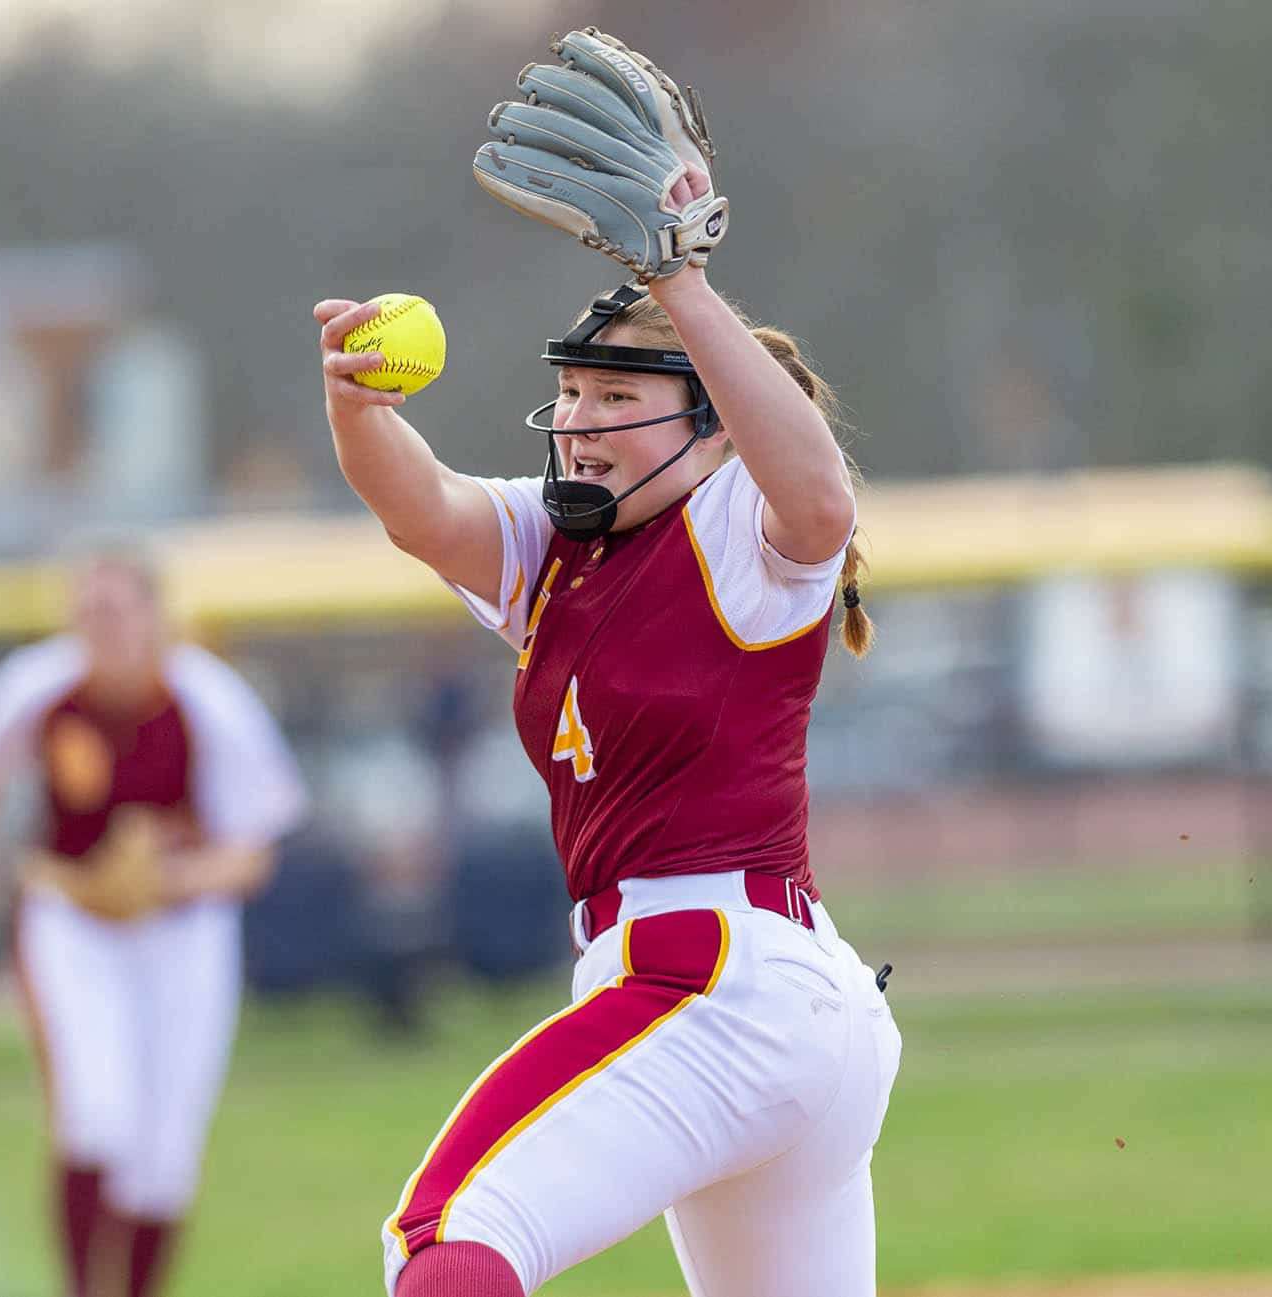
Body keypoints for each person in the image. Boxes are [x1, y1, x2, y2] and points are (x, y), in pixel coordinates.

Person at [315, 28, 901, 1297]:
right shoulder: (556, 551)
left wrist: (679, 282)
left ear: (712, 426)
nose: (579, 422)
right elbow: (423, 510)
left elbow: (817, 496)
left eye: (616, 399)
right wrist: (356, 410)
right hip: (777, 1005)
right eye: (573, 395)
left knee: (445, 1239)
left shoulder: (736, 524)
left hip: (708, 981)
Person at [0, 541, 308, 1297]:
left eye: (115, 609)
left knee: (164, 1156)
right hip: (74, 918)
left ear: (155, 615)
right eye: (87, 610)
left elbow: (254, 853)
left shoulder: (206, 697)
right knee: (96, 1113)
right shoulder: (44, 685)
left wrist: (169, 877)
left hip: (184, 932)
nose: (100, 625)